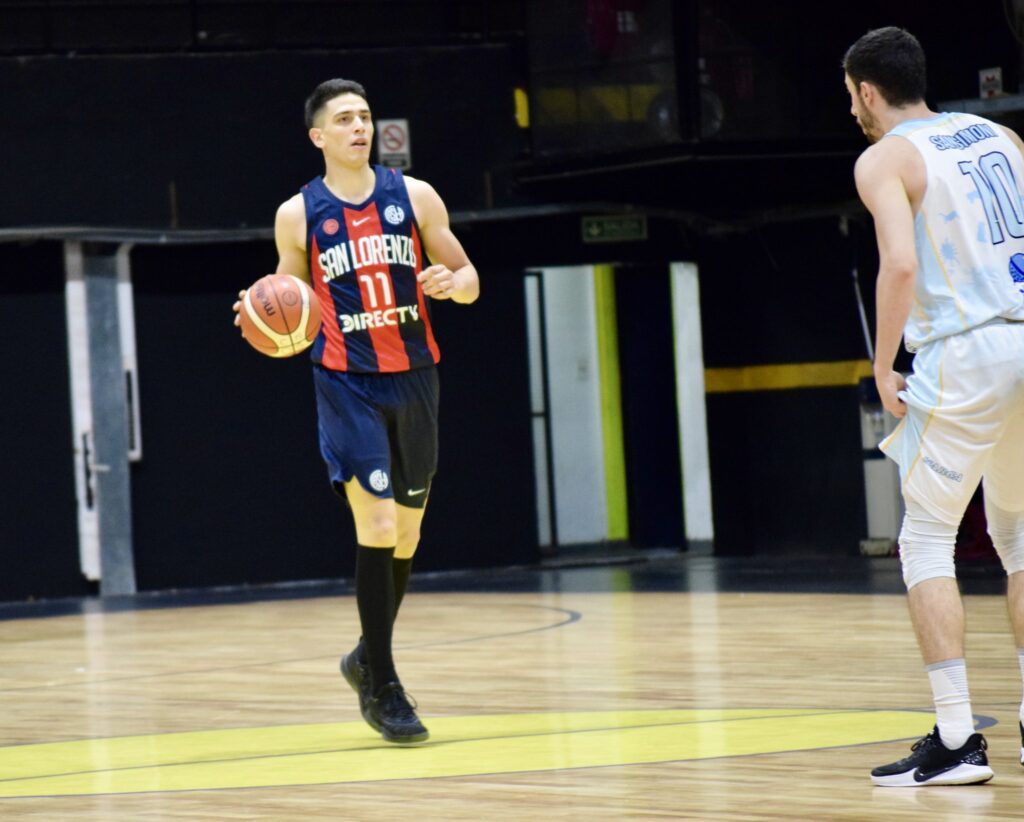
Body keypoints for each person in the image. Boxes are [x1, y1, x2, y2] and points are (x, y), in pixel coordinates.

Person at [234, 78, 480, 743]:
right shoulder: (298, 214)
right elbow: (289, 299)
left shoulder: (416, 196)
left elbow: (469, 278)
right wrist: (261, 314)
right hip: (346, 383)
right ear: (318, 136)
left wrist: (451, 283)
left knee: (408, 536)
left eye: (365, 117)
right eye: (344, 119)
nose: (359, 127)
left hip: (415, 377)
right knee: (376, 524)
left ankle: (364, 657)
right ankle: (385, 685)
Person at [844, 27, 1024, 786]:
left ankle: (956, 739)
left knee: (923, 540)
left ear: (868, 91)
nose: (851, 107)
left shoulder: (884, 158)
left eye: (850, 94)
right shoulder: (1001, 137)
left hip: (967, 352)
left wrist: (884, 364)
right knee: (1018, 538)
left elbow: (900, 264)